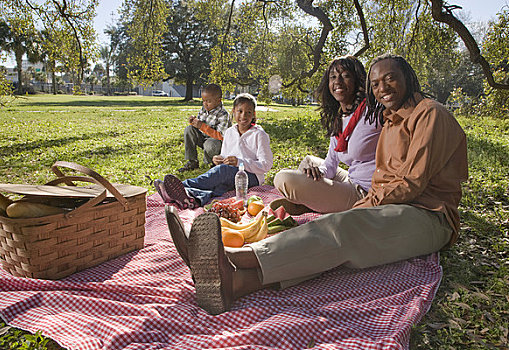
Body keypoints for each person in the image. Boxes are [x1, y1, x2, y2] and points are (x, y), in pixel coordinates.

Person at [166, 53, 468, 315]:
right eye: (376, 84)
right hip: (389, 203)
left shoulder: (429, 114)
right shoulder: (391, 119)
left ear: (408, 78)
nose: (382, 88)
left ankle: (229, 258)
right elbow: (357, 171)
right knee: (336, 238)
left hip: (428, 214)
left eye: (390, 79)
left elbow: (411, 185)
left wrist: (362, 205)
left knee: (345, 227)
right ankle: (236, 284)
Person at [272, 56, 382, 214]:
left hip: (365, 192)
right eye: (333, 77)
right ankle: (317, 201)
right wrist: (319, 173)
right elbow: (330, 165)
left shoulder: (373, 113)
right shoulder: (340, 117)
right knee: (309, 162)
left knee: (283, 179)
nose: (338, 82)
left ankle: (312, 204)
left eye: (345, 76)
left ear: (358, 80)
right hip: (351, 178)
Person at [156, 93, 273, 209]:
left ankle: (178, 187)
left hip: (251, 177)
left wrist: (239, 162)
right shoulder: (230, 132)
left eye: (248, 112)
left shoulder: (259, 134)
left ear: (254, 114)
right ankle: (192, 198)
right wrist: (219, 159)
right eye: (240, 111)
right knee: (219, 187)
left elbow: (266, 165)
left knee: (221, 172)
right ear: (233, 111)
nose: (244, 116)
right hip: (231, 173)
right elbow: (225, 156)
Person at [178, 83, 231, 172]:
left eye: (208, 101)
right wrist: (194, 122)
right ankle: (192, 161)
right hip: (203, 138)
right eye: (203, 101)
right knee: (188, 130)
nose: (205, 104)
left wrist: (202, 126)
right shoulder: (204, 109)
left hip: (216, 143)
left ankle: (212, 164)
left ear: (218, 101)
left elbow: (221, 136)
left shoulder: (223, 114)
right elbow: (199, 126)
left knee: (209, 144)